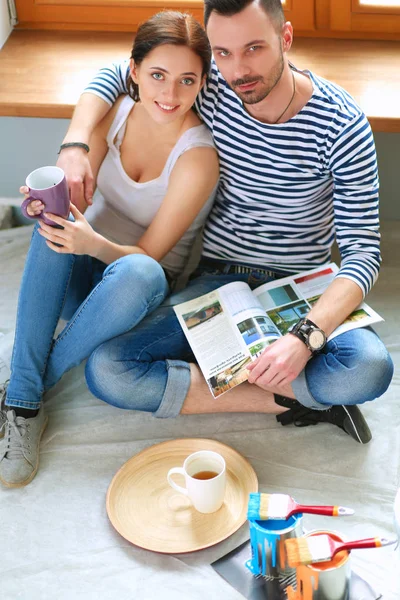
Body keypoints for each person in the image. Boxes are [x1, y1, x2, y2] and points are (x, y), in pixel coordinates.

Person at [45, 1, 395, 445]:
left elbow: (363, 254)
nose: (238, 69)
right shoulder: (208, 83)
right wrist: (74, 144)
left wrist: (305, 338)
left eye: (254, 48)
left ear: (285, 38)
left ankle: (283, 375)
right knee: (108, 369)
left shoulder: (342, 124)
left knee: (369, 367)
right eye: (224, 53)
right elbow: (119, 71)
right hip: (218, 280)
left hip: (304, 284)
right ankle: (294, 398)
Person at [0, 11, 219, 488]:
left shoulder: (199, 156)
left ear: (202, 83)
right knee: (53, 219)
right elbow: (76, 202)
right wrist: (50, 203)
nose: (170, 94)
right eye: (157, 75)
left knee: (139, 272)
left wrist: (92, 243)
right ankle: (24, 393)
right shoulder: (113, 113)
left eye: (187, 80)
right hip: (83, 272)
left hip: (135, 292)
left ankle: (23, 390)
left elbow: (149, 257)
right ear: (134, 71)